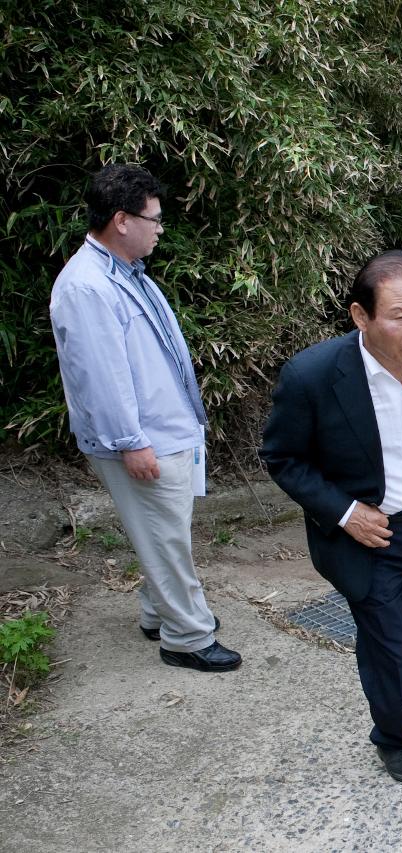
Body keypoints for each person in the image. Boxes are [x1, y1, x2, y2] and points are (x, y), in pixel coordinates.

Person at [261, 251, 402, 783]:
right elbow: (283, 457)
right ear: (361, 316)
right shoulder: (313, 375)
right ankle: (395, 736)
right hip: (370, 536)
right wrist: (344, 512)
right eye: (399, 316)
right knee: (388, 648)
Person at [49, 165, 240, 673]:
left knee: (164, 531)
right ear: (121, 220)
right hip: (140, 440)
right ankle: (187, 636)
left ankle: (160, 613)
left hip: (164, 432)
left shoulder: (125, 274)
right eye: (153, 219)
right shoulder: (88, 287)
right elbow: (100, 377)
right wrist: (131, 441)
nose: (160, 228)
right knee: (166, 537)